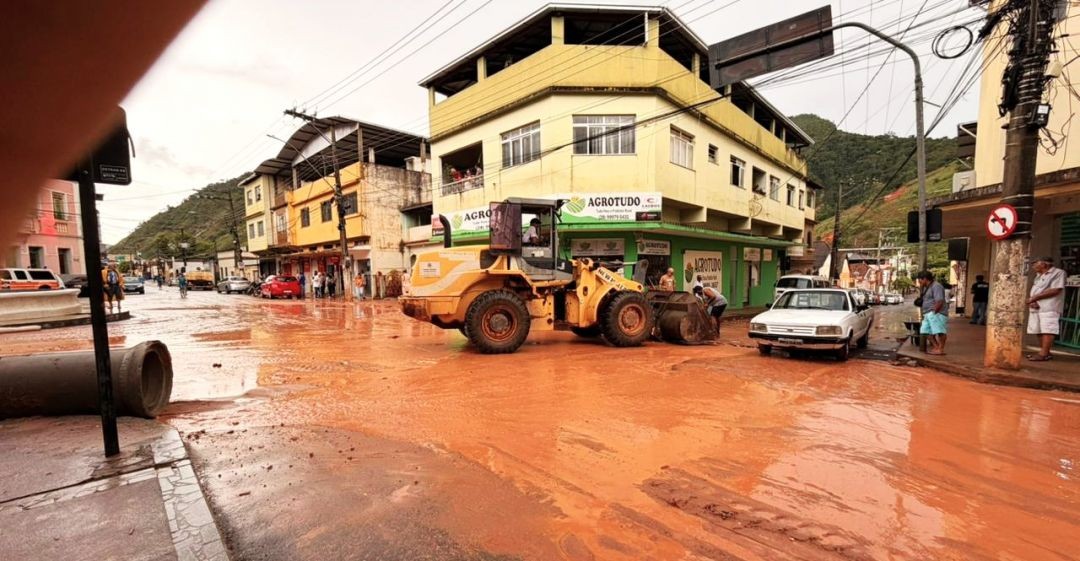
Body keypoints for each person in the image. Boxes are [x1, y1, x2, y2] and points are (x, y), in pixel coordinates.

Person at [1026, 257, 1066, 361]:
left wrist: (1034, 298)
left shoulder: (1058, 273)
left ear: (1044, 264)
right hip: (1037, 307)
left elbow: (1056, 290)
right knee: (1038, 329)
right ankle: (1045, 352)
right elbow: (1037, 289)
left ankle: (1043, 354)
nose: (1033, 266)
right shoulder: (1039, 275)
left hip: (1049, 307)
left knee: (1048, 329)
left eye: (1036, 263)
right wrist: (1033, 301)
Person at [916, 270, 948, 355]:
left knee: (940, 331)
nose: (919, 281)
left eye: (920, 279)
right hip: (928, 313)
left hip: (937, 313)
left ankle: (940, 349)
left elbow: (939, 301)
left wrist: (934, 312)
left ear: (925, 279)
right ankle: (936, 347)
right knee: (925, 331)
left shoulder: (936, 286)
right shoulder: (926, 287)